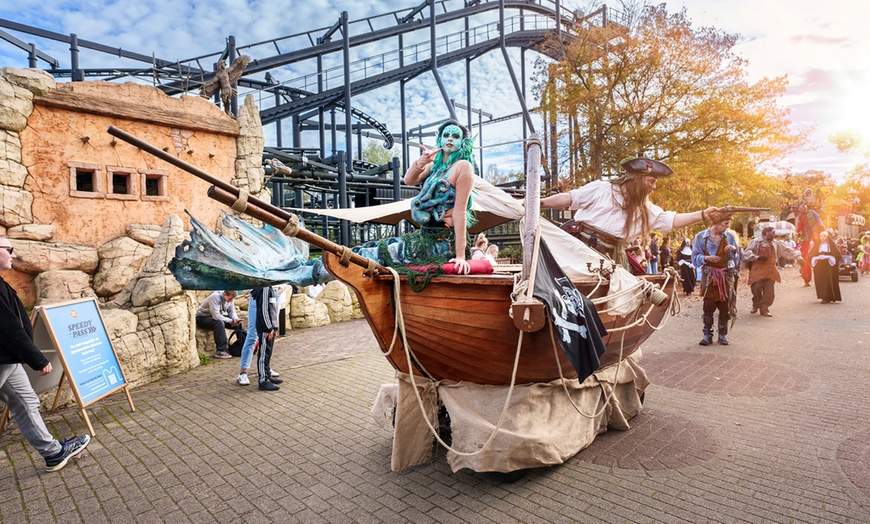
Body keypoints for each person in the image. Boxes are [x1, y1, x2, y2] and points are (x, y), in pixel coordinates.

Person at [0, 236, 92, 472]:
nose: (13, 254)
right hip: (3, 359)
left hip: (8, 361)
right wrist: (38, 359)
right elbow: (9, 328)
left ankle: (53, 453)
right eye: (8, 249)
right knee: (25, 403)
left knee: (26, 403)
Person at [540, 157, 724, 272]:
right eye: (651, 181)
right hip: (574, 253)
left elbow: (673, 219)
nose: (654, 187)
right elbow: (569, 198)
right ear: (636, 179)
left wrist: (703, 215)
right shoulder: (602, 188)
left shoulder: (645, 210)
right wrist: (537, 203)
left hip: (609, 262)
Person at [354, 120, 477, 275]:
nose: (450, 139)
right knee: (366, 249)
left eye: (455, 136)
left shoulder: (463, 166)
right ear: (440, 140)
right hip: (426, 236)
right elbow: (408, 180)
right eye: (446, 135)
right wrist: (421, 161)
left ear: (462, 142)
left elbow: (460, 213)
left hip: (444, 242)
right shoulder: (435, 168)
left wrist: (460, 256)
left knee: (372, 255)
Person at [692, 217, 739, 345]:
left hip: (725, 277)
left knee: (725, 307)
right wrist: (707, 258)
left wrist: (734, 251)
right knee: (708, 306)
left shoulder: (729, 237)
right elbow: (694, 258)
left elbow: (738, 258)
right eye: (725, 223)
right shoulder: (700, 237)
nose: (727, 227)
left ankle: (723, 334)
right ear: (716, 223)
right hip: (709, 277)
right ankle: (707, 334)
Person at [743, 226, 804, 317]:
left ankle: (764, 308)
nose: (774, 234)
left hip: (771, 269)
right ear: (766, 233)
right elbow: (747, 252)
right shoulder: (755, 242)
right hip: (757, 269)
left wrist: (799, 257)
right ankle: (756, 305)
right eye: (772, 233)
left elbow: (787, 250)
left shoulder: (775, 243)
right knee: (756, 288)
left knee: (769, 290)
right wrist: (757, 257)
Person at [236, 290, 281, 386]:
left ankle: (266, 371)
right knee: (252, 336)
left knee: (270, 336)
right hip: (259, 294)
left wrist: (282, 288)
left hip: (275, 293)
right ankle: (242, 372)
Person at [251, 286, 283, 391]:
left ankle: (267, 374)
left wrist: (275, 327)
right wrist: (268, 328)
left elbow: (273, 310)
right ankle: (263, 380)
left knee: (268, 352)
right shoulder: (264, 288)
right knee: (263, 354)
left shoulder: (269, 288)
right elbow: (263, 310)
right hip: (265, 328)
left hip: (271, 327)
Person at [196, 290, 242, 359]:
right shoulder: (215, 297)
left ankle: (242, 345)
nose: (230, 301)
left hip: (216, 317)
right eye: (229, 299)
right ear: (224, 294)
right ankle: (221, 351)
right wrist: (230, 321)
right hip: (202, 318)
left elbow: (232, 312)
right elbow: (216, 316)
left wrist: (235, 319)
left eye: (232, 299)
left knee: (239, 324)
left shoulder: (230, 299)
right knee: (219, 323)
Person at [808, 230, 842, 304]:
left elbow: (838, 255)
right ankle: (823, 296)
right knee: (821, 280)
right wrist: (816, 258)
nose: (822, 238)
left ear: (827, 237)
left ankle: (830, 296)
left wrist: (829, 257)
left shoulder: (831, 245)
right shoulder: (817, 245)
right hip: (819, 265)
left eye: (824, 236)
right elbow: (811, 255)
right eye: (821, 236)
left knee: (828, 280)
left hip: (829, 266)